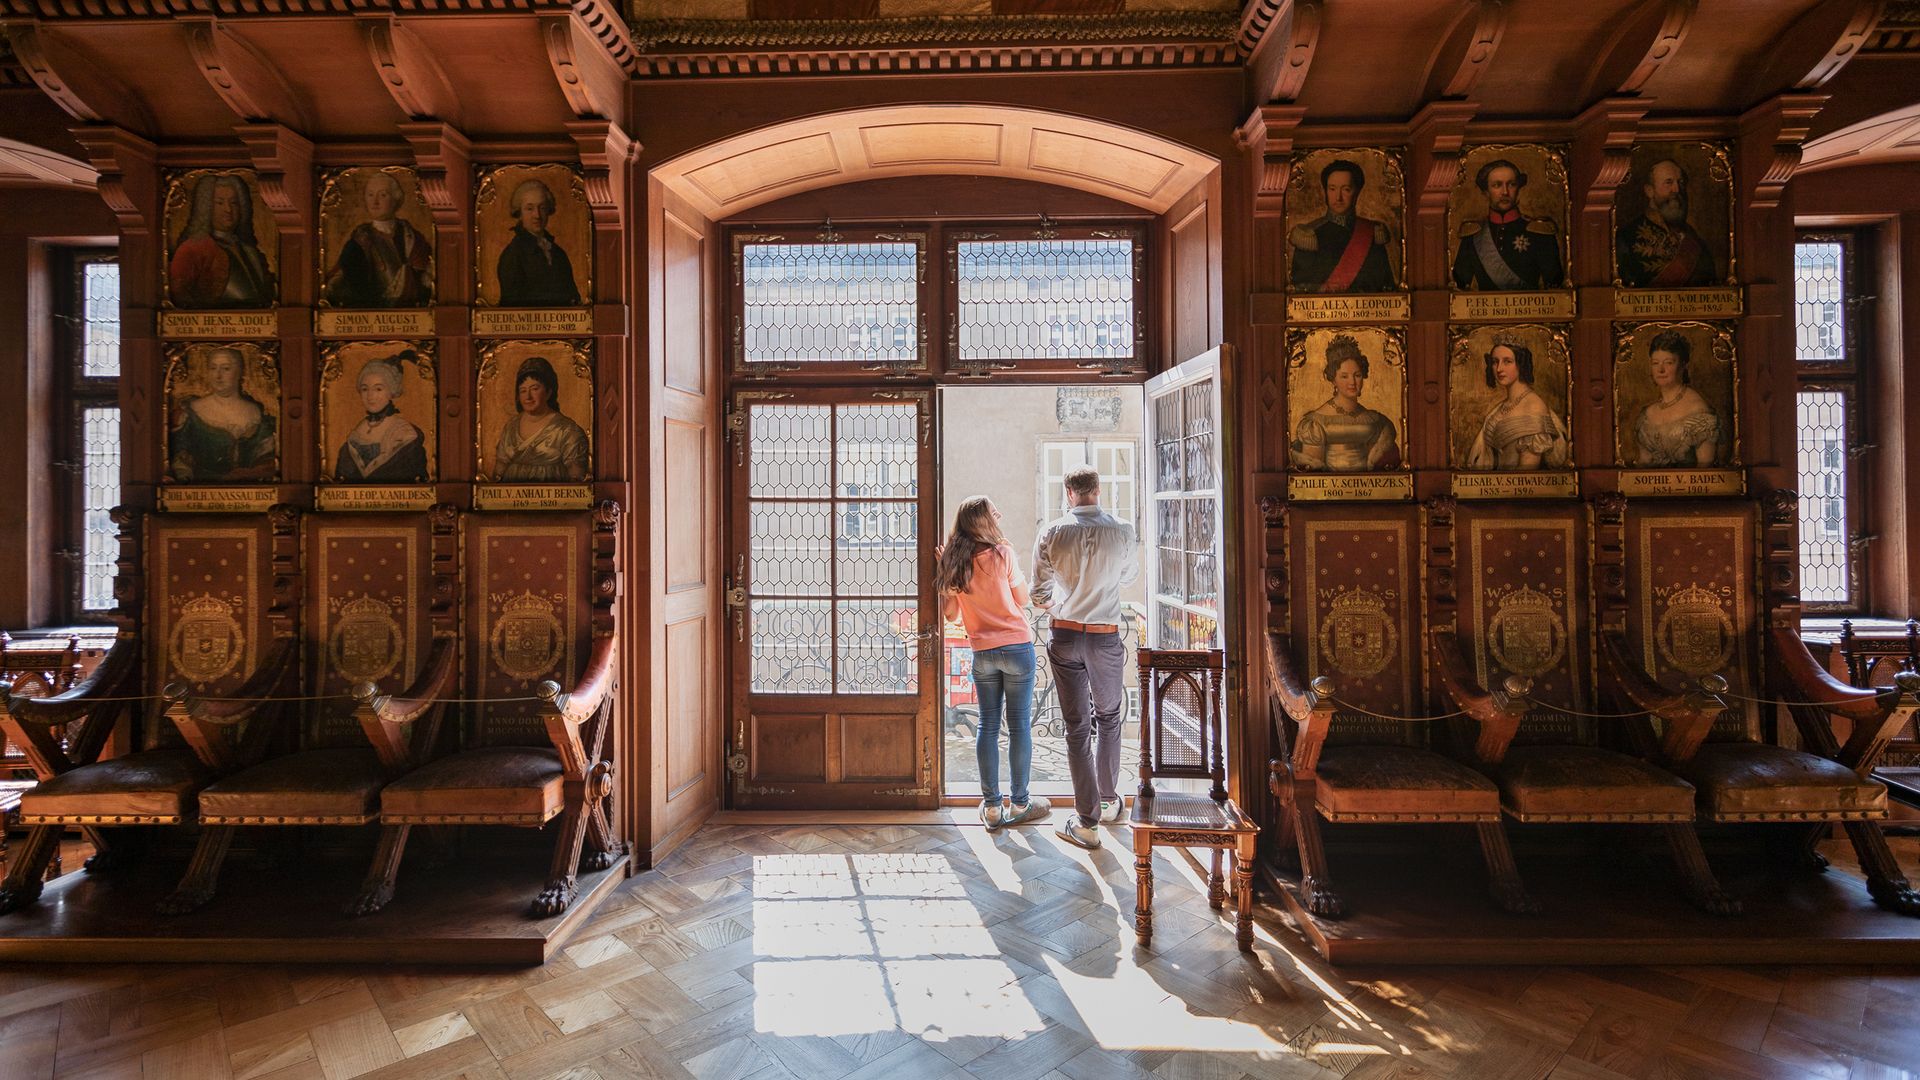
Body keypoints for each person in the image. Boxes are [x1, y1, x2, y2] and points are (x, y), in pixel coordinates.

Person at [1032, 465, 1139, 850]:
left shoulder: (1051, 533)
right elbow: (1127, 577)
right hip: (1104, 637)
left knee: (1077, 727)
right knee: (1109, 717)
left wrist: (1058, 604)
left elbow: (1038, 593)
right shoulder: (1122, 531)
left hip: (1064, 635)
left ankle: (1087, 822)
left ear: (1069, 492)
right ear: (1098, 489)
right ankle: (1109, 800)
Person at [938, 497, 1049, 830]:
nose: (998, 514)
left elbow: (951, 614)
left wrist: (945, 573)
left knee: (987, 726)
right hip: (1016, 648)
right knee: (1018, 727)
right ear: (984, 520)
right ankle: (1020, 803)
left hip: (983, 652)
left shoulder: (956, 562)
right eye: (993, 511)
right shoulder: (1003, 554)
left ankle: (990, 808)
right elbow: (1023, 599)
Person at [1290, 334, 1400, 471]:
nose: (1352, 382)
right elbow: (1314, 475)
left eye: (1357, 375)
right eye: (1344, 376)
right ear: (1333, 379)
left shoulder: (1373, 420)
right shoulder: (1315, 423)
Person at [324, 171, 434, 308]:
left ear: (396, 199)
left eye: (383, 195)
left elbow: (428, 278)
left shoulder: (413, 238)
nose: (375, 201)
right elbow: (344, 282)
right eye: (370, 195)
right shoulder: (358, 242)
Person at [1452, 159, 1564, 291]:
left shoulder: (1539, 232)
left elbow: (1554, 287)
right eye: (1497, 185)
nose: (1505, 192)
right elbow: (1459, 287)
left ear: (1518, 188)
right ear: (1486, 192)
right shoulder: (1472, 235)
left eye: (1511, 184)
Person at [168, 173, 276, 308]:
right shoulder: (191, 249)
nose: (228, 209)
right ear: (205, 207)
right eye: (219, 202)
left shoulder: (248, 250)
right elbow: (179, 295)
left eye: (234, 203)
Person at [169, 347, 276, 482]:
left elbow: (267, 457)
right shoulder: (190, 412)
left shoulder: (257, 413)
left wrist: (252, 472)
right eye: (213, 368)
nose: (218, 376)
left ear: (239, 372)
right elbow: (179, 456)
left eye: (226, 369)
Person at [1289, 159, 1395, 294]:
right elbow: (1301, 290)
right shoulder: (1309, 235)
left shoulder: (1372, 233)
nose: (1338, 197)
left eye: (1346, 189)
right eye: (1332, 189)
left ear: (1357, 193)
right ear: (1325, 192)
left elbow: (1385, 286)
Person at [1615, 158, 1719, 287]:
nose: (1676, 189)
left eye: (1680, 182)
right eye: (1668, 182)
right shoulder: (1625, 238)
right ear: (1649, 191)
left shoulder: (1695, 242)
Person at [1466, 339, 1569, 470]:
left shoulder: (1533, 407)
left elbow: (1526, 473)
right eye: (1495, 362)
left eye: (1507, 361)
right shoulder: (1502, 406)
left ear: (1521, 364)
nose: (1499, 369)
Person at [334, 353, 429, 482]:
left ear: (392, 391)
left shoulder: (406, 434)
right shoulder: (354, 437)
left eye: (378, 389)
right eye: (365, 389)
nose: (370, 396)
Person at [1632, 329, 1722, 466]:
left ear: (1683, 365)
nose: (1660, 370)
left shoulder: (1698, 410)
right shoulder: (1647, 414)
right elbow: (1644, 463)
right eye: (1655, 363)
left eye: (1668, 362)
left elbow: (1705, 468)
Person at [493, 355, 589, 482]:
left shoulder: (567, 431)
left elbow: (577, 479)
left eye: (535, 389)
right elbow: (498, 472)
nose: (528, 397)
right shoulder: (511, 426)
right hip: (510, 498)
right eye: (523, 391)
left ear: (549, 392)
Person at [496, 178, 582, 307]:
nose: (537, 215)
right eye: (529, 209)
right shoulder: (513, 255)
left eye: (542, 208)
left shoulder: (558, 253)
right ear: (519, 213)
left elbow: (573, 297)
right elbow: (512, 306)